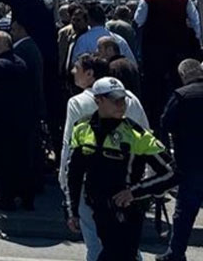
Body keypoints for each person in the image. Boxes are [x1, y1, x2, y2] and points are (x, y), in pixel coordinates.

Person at [65, 77, 176, 261]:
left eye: (123, 99)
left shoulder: (136, 135)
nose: (121, 104)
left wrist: (134, 192)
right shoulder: (82, 129)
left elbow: (172, 173)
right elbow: (74, 174)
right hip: (98, 209)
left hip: (127, 212)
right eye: (114, 100)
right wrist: (71, 211)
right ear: (98, 101)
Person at [61, 54, 151, 261]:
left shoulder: (77, 103)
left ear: (90, 74)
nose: (73, 71)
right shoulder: (130, 99)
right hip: (127, 184)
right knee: (127, 244)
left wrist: (66, 188)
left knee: (95, 243)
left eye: (77, 67)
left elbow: (69, 151)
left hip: (91, 186)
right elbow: (147, 139)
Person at [136, 0, 203, 128]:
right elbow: (195, 21)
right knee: (179, 83)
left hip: (154, 52)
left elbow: (138, 20)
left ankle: (159, 122)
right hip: (179, 49)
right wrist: (198, 42)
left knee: (156, 89)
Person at [0, 31, 37, 211]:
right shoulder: (21, 63)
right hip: (22, 120)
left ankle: (6, 198)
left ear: (4, 44)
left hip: (3, 122)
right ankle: (27, 198)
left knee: (5, 161)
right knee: (22, 159)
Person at [159, 59, 203, 261]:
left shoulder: (181, 96)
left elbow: (164, 123)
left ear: (183, 76)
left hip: (190, 162)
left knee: (184, 213)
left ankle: (175, 253)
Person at [70, 3, 135, 69]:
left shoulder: (83, 40)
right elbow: (132, 63)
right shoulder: (119, 39)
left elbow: (76, 64)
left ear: (88, 19)